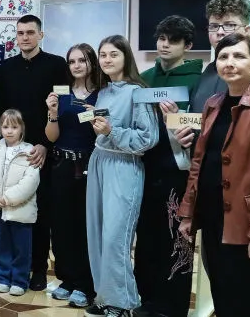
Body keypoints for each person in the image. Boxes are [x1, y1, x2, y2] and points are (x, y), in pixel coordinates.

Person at [178, 33, 250, 317]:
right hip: (213, 217)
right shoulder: (214, 104)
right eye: (223, 57)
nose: (230, 62)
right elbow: (199, 163)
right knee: (222, 294)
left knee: (245, 301)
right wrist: (188, 213)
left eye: (239, 56)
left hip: (247, 223)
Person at [84, 35, 159, 317]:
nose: (107, 60)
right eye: (103, 55)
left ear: (126, 57)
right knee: (97, 233)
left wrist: (111, 130)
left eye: (113, 54)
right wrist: (99, 126)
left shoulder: (138, 92)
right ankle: (105, 296)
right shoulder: (104, 92)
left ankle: (124, 303)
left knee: (116, 237)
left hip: (124, 166)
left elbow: (147, 138)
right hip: (99, 161)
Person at [0, 14, 70, 290]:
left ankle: (38, 269)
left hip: (41, 151)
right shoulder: (5, 69)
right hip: (12, 151)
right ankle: (11, 268)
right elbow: (0, 109)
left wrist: (46, 146)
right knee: (9, 211)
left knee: (39, 213)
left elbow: (61, 106)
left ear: (41, 35)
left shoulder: (57, 65)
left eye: (30, 32)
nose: (24, 37)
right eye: (20, 33)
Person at [134, 16, 201, 317]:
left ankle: (172, 306)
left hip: (178, 170)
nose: (164, 45)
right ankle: (146, 298)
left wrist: (174, 119)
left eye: (173, 40)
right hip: (146, 167)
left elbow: (202, 122)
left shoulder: (199, 78)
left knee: (176, 239)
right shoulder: (144, 77)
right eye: (161, 38)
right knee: (147, 236)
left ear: (187, 45)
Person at [44, 43, 100, 309]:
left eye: (82, 60)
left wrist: (94, 118)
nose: (76, 66)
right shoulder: (61, 92)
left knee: (83, 227)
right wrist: (53, 114)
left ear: (92, 63)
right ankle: (66, 279)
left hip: (88, 167)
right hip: (61, 165)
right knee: (61, 225)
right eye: (72, 61)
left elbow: (103, 133)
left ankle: (85, 284)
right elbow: (51, 136)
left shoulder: (102, 94)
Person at [0, 109, 39, 296]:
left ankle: (20, 281)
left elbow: (30, 181)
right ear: (0, 128)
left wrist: (8, 198)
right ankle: (4, 277)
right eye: (5, 127)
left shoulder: (29, 151)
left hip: (21, 210)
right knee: (2, 245)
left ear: (22, 128)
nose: (9, 131)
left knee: (22, 247)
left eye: (14, 127)